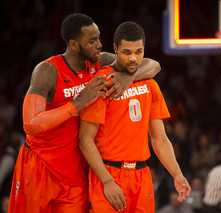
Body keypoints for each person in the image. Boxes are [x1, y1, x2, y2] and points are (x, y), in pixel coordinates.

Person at [8, 13, 161, 213]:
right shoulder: (47, 71)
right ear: (73, 44)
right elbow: (31, 125)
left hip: (76, 170)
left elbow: (153, 65)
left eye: (98, 38)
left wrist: (128, 76)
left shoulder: (100, 62)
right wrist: (78, 103)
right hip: (41, 164)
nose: (99, 44)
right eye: (92, 40)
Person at [79, 21, 191, 213]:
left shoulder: (150, 84)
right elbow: (85, 139)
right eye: (127, 52)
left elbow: (160, 139)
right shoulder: (102, 83)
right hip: (109, 172)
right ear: (115, 49)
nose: (133, 58)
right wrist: (107, 181)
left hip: (141, 175)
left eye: (138, 52)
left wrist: (177, 173)